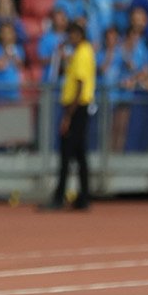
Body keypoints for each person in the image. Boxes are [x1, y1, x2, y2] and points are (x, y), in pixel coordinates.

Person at [49, 21, 94, 210]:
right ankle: (83, 198)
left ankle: (60, 197)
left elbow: (80, 85)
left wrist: (68, 115)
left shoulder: (82, 53)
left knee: (67, 154)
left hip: (76, 108)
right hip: (78, 107)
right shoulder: (81, 52)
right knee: (79, 154)